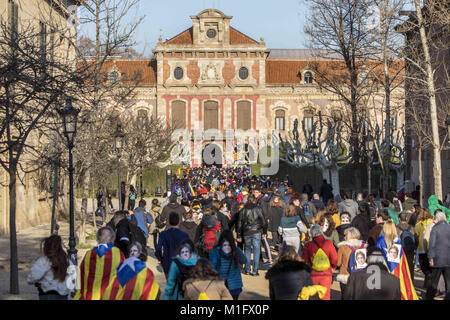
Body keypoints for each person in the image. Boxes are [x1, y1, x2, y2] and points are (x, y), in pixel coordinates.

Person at [74, 227, 125, 300]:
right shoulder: (118, 254)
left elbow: (82, 273)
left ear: (98, 237)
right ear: (112, 238)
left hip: (91, 295)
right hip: (110, 295)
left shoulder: (89, 254)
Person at [375, 221, 418, 300]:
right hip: (397, 268)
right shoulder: (397, 240)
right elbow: (402, 257)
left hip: (384, 268)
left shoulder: (380, 239)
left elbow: (376, 254)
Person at [27, 235, 75, 300]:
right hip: (63, 295)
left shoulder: (44, 261)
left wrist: (37, 282)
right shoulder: (67, 261)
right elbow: (74, 279)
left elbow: (32, 277)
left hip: (47, 294)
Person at [301, 225, 338, 300]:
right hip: (326, 274)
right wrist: (333, 267)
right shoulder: (328, 243)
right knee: (325, 296)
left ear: (312, 234)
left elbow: (303, 261)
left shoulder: (308, 245)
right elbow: (335, 259)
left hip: (313, 274)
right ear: (321, 232)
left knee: (313, 296)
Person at [209, 230, 247, 300]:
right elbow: (244, 260)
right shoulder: (236, 250)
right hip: (235, 284)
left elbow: (212, 266)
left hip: (220, 283)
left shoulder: (216, 251)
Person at [236, 194, 268, 276]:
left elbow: (239, 223)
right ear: (254, 200)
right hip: (256, 231)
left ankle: (247, 269)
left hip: (246, 232)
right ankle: (254, 271)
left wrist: (239, 235)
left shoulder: (243, 210)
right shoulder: (258, 208)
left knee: (247, 250)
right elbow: (264, 221)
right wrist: (264, 232)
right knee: (256, 251)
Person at [155, 212, 190, 278]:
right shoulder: (185, 235)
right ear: (179, 221)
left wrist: (161, 260)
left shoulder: (163, 234)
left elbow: (158, 249)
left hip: (167, 263)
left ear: (169, 221)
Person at [425, 211, 450, 300]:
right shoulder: (449, 227)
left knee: (434, 281)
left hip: (437, 259)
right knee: (448, 281)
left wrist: (430, 257)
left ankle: (429, 297)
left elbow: (432, 244)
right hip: (448, 259)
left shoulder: (435, 228)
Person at [336, 227, 367, 298]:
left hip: (345, 275)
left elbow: (338, 263)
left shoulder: (342, 247)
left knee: (345, 296)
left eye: (345, 235)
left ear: (348, 236)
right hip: (359, 276)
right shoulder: (363, 246)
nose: (344, 237)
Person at [396, 211, 418, 282]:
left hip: (400, 250)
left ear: (399, 218)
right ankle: (411, 281)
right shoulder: (411, 227)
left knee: (401, 266)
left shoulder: (396, 228)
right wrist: (415, 247)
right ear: (406, 218)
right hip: (410, 250)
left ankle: (402, 282)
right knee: (410, 266)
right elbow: (416, 238)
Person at [415, 208, 433, 288]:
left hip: (422, 248)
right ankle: (427, 282)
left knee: (424, 267)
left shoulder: (418, 224)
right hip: (431, 247)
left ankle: (427, 279)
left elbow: (416, 235)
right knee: (430, 267)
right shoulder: (433, 222)